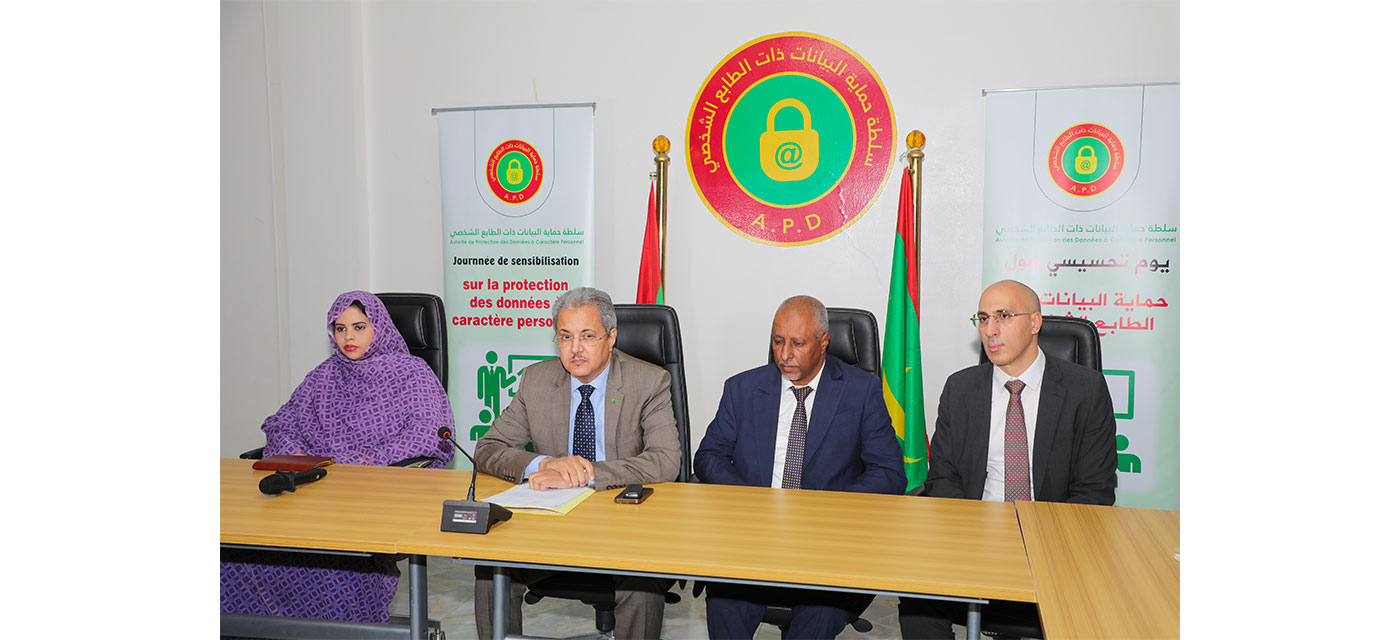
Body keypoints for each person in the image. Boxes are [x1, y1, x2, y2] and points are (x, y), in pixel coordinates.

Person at [899, 279, 1117, 639]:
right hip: (972, 539)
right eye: (983, 318)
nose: (990, 330)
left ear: (1034, 323)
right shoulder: (960, 389)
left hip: (1053, 546)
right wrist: (976, 535)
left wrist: (1033, 540)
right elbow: (943, 479)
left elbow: (1094, 492)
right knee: (916, 599)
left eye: (1003, 316)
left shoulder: (1085, 390)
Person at [221, 291, 455, 623]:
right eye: (340, 328)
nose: (348, 338)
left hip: (378, 495)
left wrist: (361, 462)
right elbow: (282, 423)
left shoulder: (412, 373)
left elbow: (426, 435)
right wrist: (294, 453)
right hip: (314, 493)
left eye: (359, 327)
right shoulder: (325, 375)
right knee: (239, 550)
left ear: (379, 329)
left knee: (332, 564)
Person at [473, 286, 681, 640]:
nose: (575, 348)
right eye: (565, 337)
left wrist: (587, 473)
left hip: (624, 523)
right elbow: (488, 448)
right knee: (491, 572)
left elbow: (665, 460)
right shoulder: (537, 380)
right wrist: (542, 464)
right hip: (552, 523)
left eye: (587, 336)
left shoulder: (649, 381)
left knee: (642, 582)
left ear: (611, 338)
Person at [693, 295, 905, 640]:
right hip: (753, 535)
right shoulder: (742, 389)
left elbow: (889, 473)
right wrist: (751, 500)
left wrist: (825, 508)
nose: (785, 354)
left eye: (798, 343)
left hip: (827, 540)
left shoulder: (860, 391)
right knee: (726, 603)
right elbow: (708, 456)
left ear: (824, 342)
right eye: (778, 341)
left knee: (821, 611)